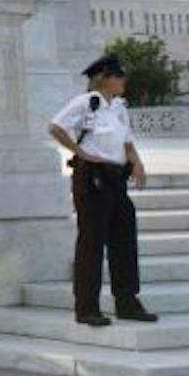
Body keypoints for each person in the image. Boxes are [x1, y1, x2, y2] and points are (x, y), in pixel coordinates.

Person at [47, 53, 156, 327]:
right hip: (92, 178)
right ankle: (87, 307)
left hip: (117, 178)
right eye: (119, 76)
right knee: (91, 245)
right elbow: (55, 126)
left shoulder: (119, 106)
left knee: (124, 242)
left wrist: (137, 163)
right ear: (104, 79)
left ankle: (127, 302)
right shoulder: (87, 103)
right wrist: (79, 152)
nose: (123, 80)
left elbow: (126, 142)